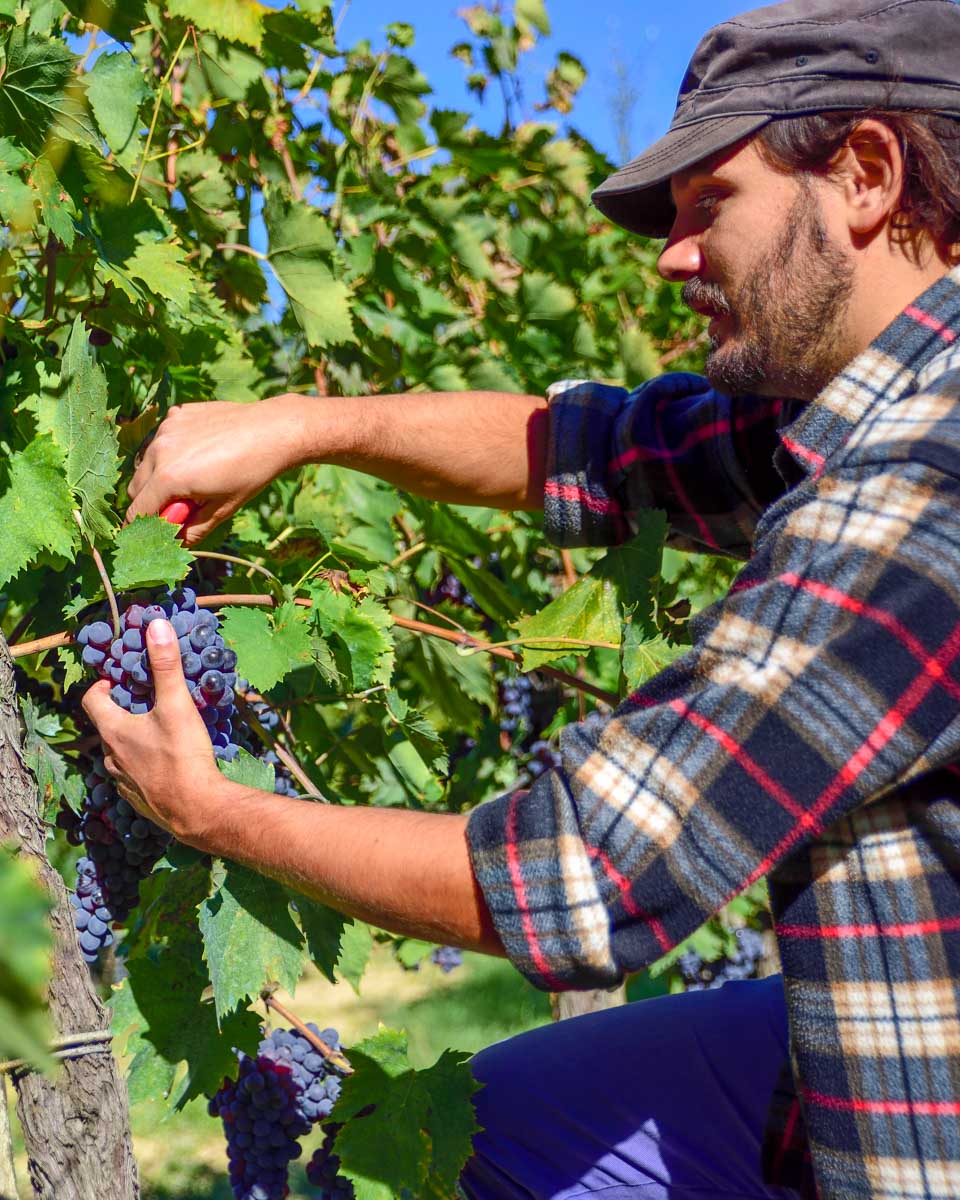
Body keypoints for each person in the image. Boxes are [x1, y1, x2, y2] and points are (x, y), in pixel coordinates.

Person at [83, 0, 960, 1196]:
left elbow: (592, 875)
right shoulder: (872, 398)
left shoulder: (918, 489)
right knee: (489, 1128)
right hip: (874, 1016)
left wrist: (211, 810)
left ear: (866, 174)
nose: (673, 253)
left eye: (714, 201)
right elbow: (599, 451)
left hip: (917, 1122)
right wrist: (302, 428)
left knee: (443, 1152)